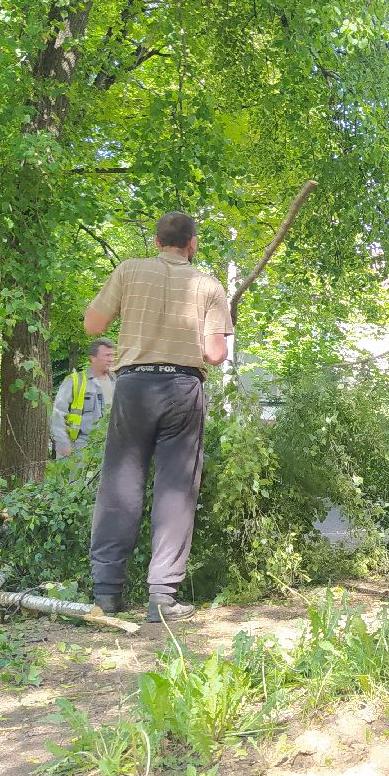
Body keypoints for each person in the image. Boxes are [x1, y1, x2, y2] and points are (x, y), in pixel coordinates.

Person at [83, 210, 232, 623]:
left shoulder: (129, 271)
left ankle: (107, 593)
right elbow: (217, 355)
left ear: (155, 241)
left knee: (120, 483)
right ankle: (162, 598)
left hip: (133, 387)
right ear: (193, 243)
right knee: (175, 490)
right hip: (182, 389)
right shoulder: (208, 284)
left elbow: (93, 323)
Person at [50, 338, 116, 458]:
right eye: (107, 355)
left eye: (112, 355)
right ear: (93, 358)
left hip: (109, 450)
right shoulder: (75, 381)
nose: (111, 359)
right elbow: (58, 413)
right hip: (78, 450)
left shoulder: (117, 382)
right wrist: (62, 442)